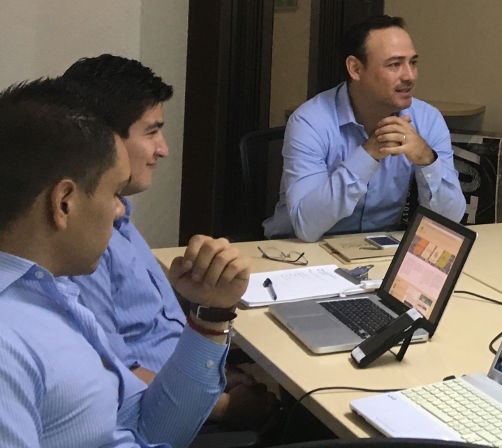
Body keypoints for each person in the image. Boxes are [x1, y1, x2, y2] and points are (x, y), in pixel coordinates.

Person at [0, 77, 250, 446]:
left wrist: (209, 317)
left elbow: (151, 429)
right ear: (64, 202)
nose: (120, 210)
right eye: (115, 193)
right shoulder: (9, 344)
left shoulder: (53, 291)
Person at [62, 54, 277, 428]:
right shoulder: (82, 245)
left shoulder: (119, 213)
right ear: (103, 139)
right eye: (151, 132)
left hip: (191, 380)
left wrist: (213, 367)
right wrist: (225, 406)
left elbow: (160, 333)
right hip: (170, 416)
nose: (163, 149)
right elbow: (119, 379)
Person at [262, 15, 465, 242]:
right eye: (394, 65)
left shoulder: (427, 119)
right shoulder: (310, 121)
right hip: (297, 250)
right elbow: (306, 226)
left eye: (413, 63)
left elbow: (450, 222)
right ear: (356, 69)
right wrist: (368, 155)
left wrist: (427, 158)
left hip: (378, 248)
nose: (410, 76)